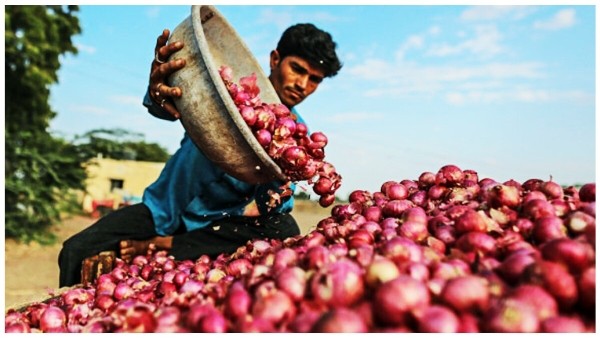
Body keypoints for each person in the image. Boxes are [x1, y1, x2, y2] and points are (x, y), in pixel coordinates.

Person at [58, 22, 342, 287]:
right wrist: (159, 91)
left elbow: (274, 209)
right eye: (297, 69)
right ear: (275, 59)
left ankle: (164, 245)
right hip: (161, 211)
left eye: (314, 79)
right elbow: (171, 103)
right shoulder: (228, 92)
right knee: (76, 250)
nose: (302, 84)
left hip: (214, 225)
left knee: (284, 228)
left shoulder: (297, 136)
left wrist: (278, 173)